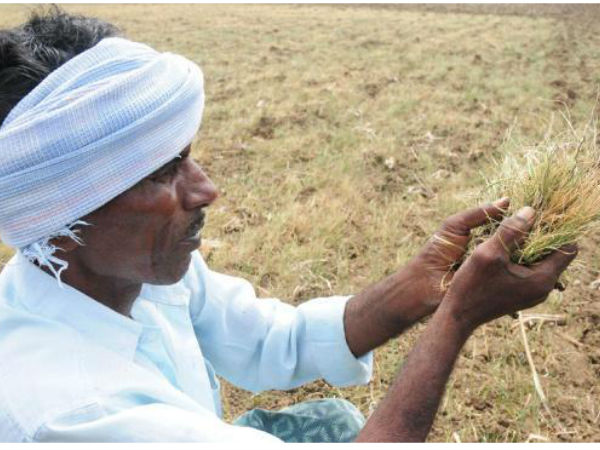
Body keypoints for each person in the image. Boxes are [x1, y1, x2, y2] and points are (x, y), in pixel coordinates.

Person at [0, 9, 577, 443]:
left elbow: (275, 341)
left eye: (187, 157)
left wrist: (423, 283)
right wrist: (458, 318)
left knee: (335, 420)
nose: (206, 190)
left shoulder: (127, 271)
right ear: (60, 214)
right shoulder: (75, 414)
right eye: (160, 173)